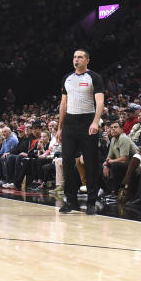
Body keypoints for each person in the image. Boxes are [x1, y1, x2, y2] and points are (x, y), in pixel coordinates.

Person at [56, 49, 105, 214]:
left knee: (90, 162)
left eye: (80, 57)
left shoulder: (94, 77)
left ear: (87, 60)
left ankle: (91, 201)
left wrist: (96, 121)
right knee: (67, 161)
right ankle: (71, 201)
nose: (76, 59)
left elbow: (100, 102)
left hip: (87, 122)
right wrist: (60, 127)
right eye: (75, 57)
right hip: (70, 123)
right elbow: (63, 104)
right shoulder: (67, 78)